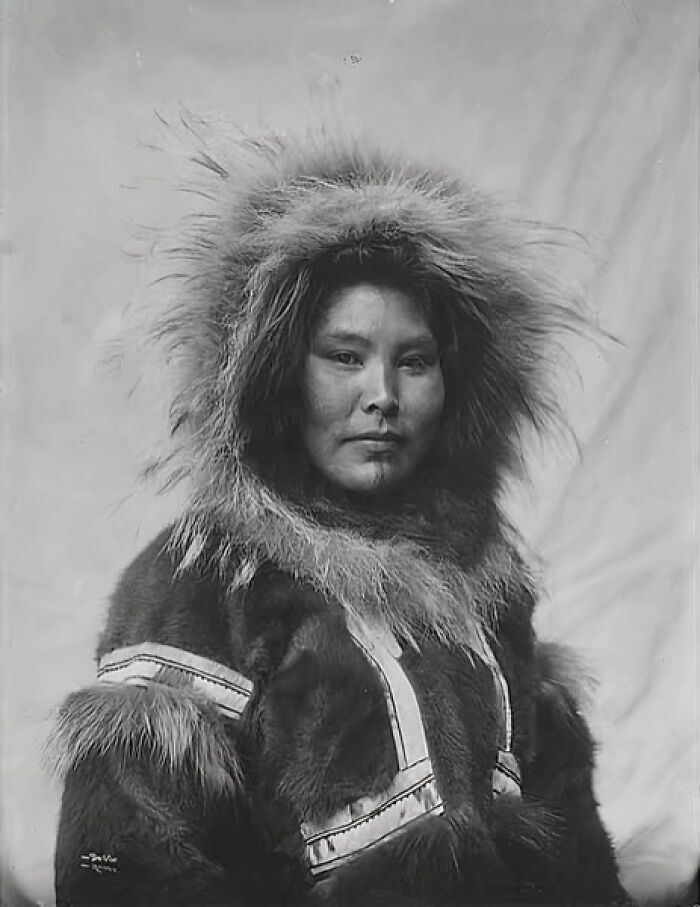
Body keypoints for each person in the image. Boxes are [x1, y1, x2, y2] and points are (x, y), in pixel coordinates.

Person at [50, 129, 635, 906]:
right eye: (344, 355)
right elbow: (121, 866)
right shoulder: (199, 582)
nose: (383, 394)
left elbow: (576, 857)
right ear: (280, 376)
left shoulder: (488, 596)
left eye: (415, 361)